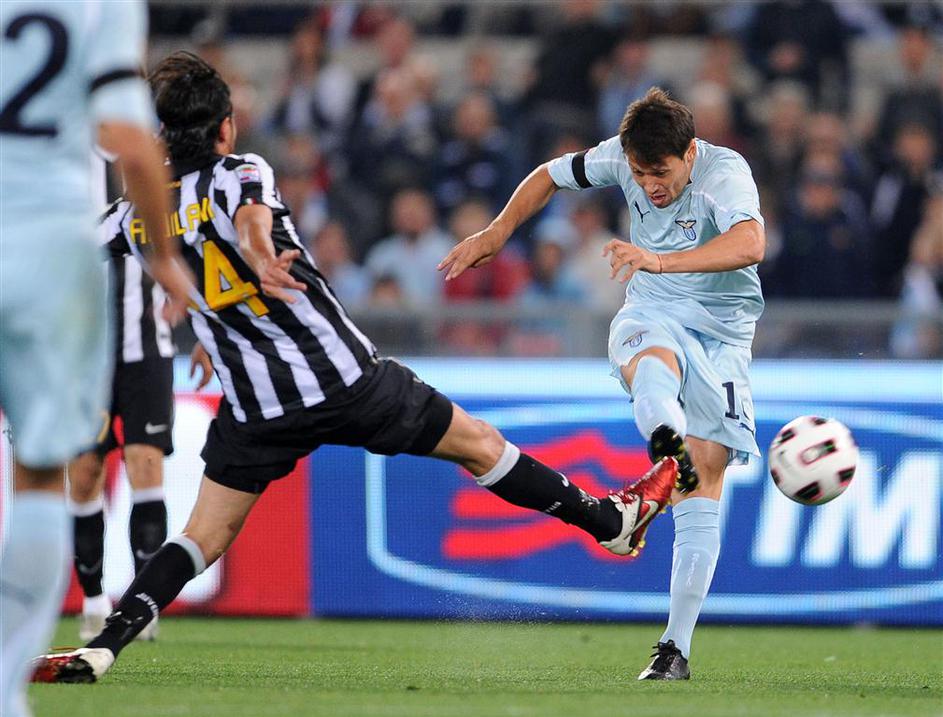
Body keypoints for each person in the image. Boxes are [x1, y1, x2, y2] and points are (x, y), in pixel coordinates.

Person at [31, 52, 678, 685]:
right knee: (479, 445)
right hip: (340, 378)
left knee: (202, 534)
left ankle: (103, 647)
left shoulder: (133, 216)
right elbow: (251, 222)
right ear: (225, 127)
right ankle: (608, 523)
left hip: (258, 408)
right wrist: (258, 260)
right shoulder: (241, 171)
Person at [439, 87, 766, 681]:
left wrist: (658, 259)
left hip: (723, 334)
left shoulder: (725, 173)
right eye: (639, 174)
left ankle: (674, 648)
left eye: (660, 173)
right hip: (653, 307)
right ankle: (665, 444)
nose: (648, 186)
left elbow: (751, 243)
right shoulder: (618, 155)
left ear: (690, 153)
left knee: (706, 477)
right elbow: (548, 174)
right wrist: (498, 232)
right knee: (652, 359)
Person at [0, 3, 192, 716]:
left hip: (116, 324)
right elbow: (130, 141)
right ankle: (6, 686)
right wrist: (166, 258)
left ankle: (125, 604)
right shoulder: (99, 9)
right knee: (43, 473)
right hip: (52, 251)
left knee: (116, 464)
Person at [68, 217, 214, 641]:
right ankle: (93, 598)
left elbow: (197, 255)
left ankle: (139, 603)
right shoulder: (78, 199)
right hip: (85, 357)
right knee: (84, 472)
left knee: (145, 464)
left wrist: (208, 334)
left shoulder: (163, 203)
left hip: (149, 351)